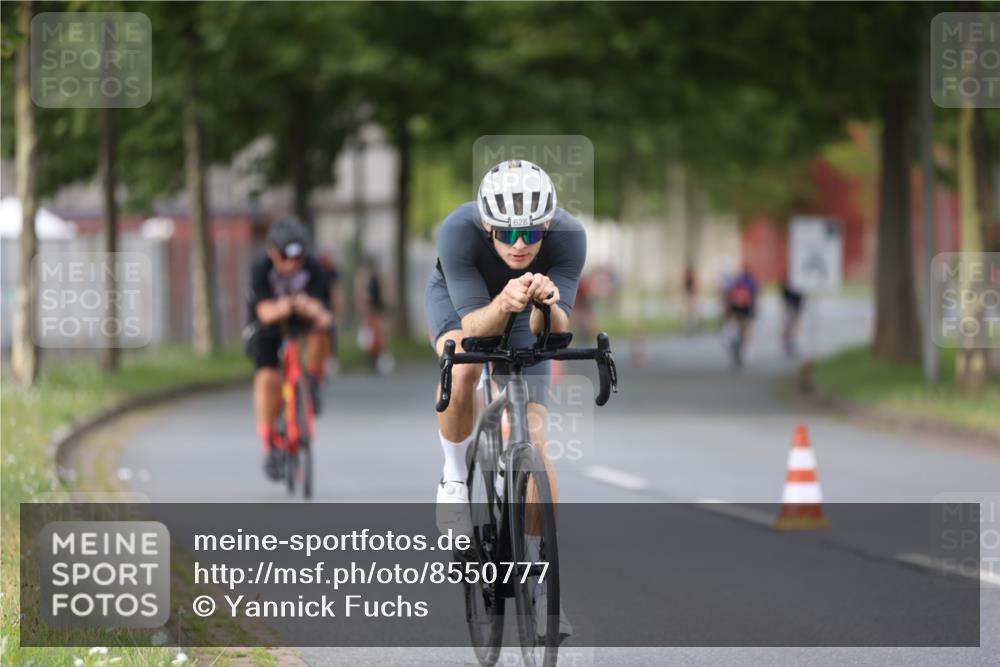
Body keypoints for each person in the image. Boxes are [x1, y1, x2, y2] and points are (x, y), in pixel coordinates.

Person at [426, 159, 583, 638]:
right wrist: (506, 301)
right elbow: (472, 329)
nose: (520, 245)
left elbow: (555, 336)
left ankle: (540, 583)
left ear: (548, 227)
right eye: (510, 234)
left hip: (526, 310)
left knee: (534, 432)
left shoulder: (569, 238)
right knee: (465, 362)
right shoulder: (458, 231)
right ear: (488, 224)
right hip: (466, 303)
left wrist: (548, 306)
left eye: (531, 236)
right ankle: (454, 476)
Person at [245, 217, 334, 481]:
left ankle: (314, 381)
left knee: (323, 328)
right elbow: (263, 311)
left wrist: (309, 307)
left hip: (300, 318)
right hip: (267, 324)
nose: (293, 263)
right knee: (267, 377)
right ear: (273, 252)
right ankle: (268, 442)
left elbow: (322, 308)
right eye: (286, 256)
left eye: (299, 256)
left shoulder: (313, 266)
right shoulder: (260, 268)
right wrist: (283, 306)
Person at [722, 263, 759, 366]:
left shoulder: (746, 282)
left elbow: (753, 298)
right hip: (739, 308)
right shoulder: (738, 283)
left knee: (744, 328)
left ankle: (745, 347)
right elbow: (729, 299)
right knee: (741, 327)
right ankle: (741, 345)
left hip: (744, 308)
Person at [780, 273, 804, 356]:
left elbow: (800, 301)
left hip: (796, 308)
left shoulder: (798, 287)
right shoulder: (785, 288)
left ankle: (795, 341)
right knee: (787, 325)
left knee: (796, 325)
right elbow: (784, 300)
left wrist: (796, 312)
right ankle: (787, 342)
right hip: (788, 308)